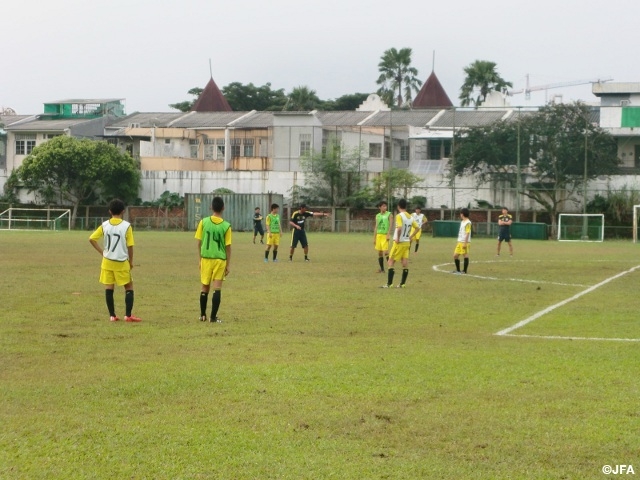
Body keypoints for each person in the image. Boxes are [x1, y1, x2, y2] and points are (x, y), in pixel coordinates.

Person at [89, 199, 141, 322]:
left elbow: (91, 239)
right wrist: (131, 261)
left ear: (110, 211)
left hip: (107, 261)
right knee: (129, 286)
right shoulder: (126, 226)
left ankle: (112, 316)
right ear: (123, 211)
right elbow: (130, 246)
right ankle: (128, 315)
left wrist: (103, 253)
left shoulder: (105, 225)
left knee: (109, 287)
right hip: (121, 261)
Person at [195, 196, 232, 323]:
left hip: (206, 258)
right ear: (223, 208)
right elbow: (228, 247)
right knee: (217, 288)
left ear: (211, 207)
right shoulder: (226, 226)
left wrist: (200, 260)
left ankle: (202, 315)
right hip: (220, 260)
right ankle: (213, 317)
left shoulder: (203, 222)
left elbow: (199, 243)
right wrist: (228, 265)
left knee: (204, 288)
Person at [381, 199, 419, 288]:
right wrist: (410, 236)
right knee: (404, 262)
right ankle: (402, 284)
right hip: (407, 243)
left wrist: (398, 238)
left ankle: (389, 284)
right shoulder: (410, 217)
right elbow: (417, 228)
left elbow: (399, 228)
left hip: (399, 242)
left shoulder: (399, 216)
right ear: (406, 206)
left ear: (398, 206)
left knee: (390, 261)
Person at [373, 200, 392, 273]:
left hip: (385, 235)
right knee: (380, 253)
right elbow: (376, 226)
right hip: (378, 236)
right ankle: (382, 269)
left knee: (386, 252)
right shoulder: (378, 215)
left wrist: (388, 234)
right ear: (379, 207)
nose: (385, 207)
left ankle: (391, 268)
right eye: (383, 206)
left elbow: (390, 225)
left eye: (385, 206)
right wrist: (374, 238)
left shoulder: (389, 214)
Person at [452, 208, 472, 275]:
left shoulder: (468, 223)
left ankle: (464, 271)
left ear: (462, 214)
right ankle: (458, 270)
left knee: (465, 255)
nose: (460, 215)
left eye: (461, 213)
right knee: (455, 255)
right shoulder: (462, 222)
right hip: (460, 241)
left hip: (464, 242)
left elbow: (467, 233)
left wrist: (465, 243)